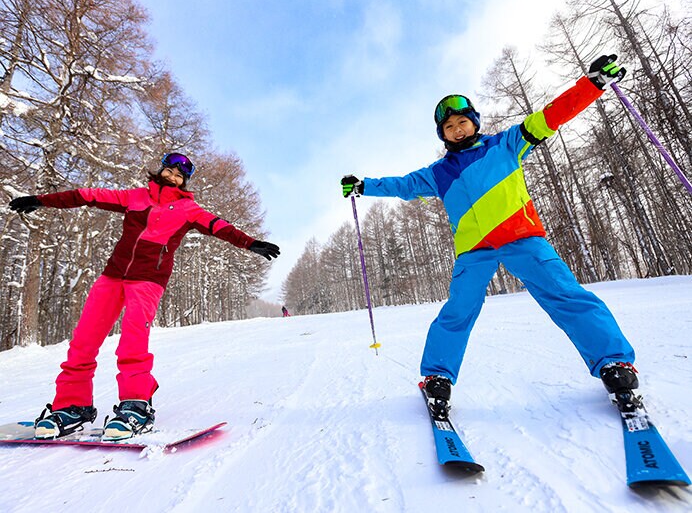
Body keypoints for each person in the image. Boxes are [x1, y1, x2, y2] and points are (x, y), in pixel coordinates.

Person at [341, 54, 639, 420]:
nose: (458, 130)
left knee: (566, 295)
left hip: (522, 238)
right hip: (474, 252)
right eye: (449, 127)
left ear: (474, 122)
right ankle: (437, 376)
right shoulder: (439, 173)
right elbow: (402, 185)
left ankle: (614, 364)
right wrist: (364, 186)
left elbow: (552, 115)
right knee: (458, 311)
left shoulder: (507, 144)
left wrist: (591, 84)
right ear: (443, 135)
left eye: (463, 121)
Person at [9, 152, 280, 440]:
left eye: (181, 175)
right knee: (83, 341)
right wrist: (40, 199)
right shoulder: (134, 198)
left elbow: (220, 227)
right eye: (171, 170)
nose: (174, 176)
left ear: (185, 182)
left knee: (132, 344)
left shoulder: (189, 209)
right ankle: (73, 406)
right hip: (113, 275)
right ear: (161, 170)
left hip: (148, 280)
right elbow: (86, 195)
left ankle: (136, 405)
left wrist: (251, 244)